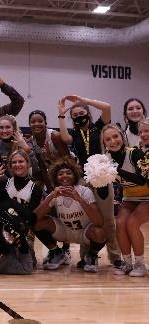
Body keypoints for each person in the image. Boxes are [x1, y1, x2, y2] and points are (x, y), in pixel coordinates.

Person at [57, 94, 121, 265]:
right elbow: (64, 138)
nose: (78, 117)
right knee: (88, 219)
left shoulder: (99, 127)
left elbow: (107, 107)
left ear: (88, 113)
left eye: (81, 113)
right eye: (75, 116)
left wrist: (83, 101)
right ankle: (87, 256)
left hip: (102, 178)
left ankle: (115, 257)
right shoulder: (74, 133)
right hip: (83, 180)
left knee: (108, 220)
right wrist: (62, 114)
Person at [34, 159, 106, 272]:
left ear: (75, 175)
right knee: (37, 223)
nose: (64, 176)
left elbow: (99, 222)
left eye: (68, 173)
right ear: (55, 177)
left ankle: (91, 255)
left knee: (100, 232)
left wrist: (79, 199)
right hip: (65, 231)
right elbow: (35, 218)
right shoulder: (55, 193)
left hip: (84, 232)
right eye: (60, 174)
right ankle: (56, 252)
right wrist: (50, 197)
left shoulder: (85, 191)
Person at [101, 124, 149, 276]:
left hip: (147, 196)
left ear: (122, 137)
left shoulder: (136, 153)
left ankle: (140, 264)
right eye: (108, 139)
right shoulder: (105, 160)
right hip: (129, 197)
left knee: (132, 223)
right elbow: (104, 187)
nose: (113, 141)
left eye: (116, 136)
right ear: (104, 143)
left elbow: (142, 180)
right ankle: (128, 263)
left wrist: (116, 170)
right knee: (120, 224)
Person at [28, 109, 70, 191]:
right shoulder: (31, 141)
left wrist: (51, 158)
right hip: (51, 171)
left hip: (66, 171)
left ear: (45, 123)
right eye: (33, 122)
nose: (36, 124)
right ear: (29, 124)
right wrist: (49, 187)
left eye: (40, 121)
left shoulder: (55, 136)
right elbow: (42, 167)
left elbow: (69, 161)